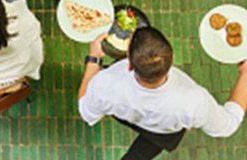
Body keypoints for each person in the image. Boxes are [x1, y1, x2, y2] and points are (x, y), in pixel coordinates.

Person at [78, 27, 247, 159]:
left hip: (126, 115)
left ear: (129, 64)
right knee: (139, 156)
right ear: (170, 60)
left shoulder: (105, 85)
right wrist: (245, 73)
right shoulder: (195, 102)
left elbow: (87, 113)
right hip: (163, 131)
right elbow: (228, 124)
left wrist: (94, 59)